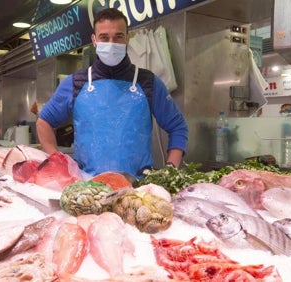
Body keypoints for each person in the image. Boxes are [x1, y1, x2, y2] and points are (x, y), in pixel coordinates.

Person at [36, 8, 188, 178]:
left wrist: (169, 171)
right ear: (94, 40)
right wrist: (58, 163)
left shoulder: (148, 82)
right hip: (86, 187)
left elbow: (178, 127)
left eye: (118, 37)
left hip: (137, 190)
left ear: (127, 38)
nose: (111, 43)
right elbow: (44, 122)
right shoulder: (76, 83)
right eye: (104, 38)